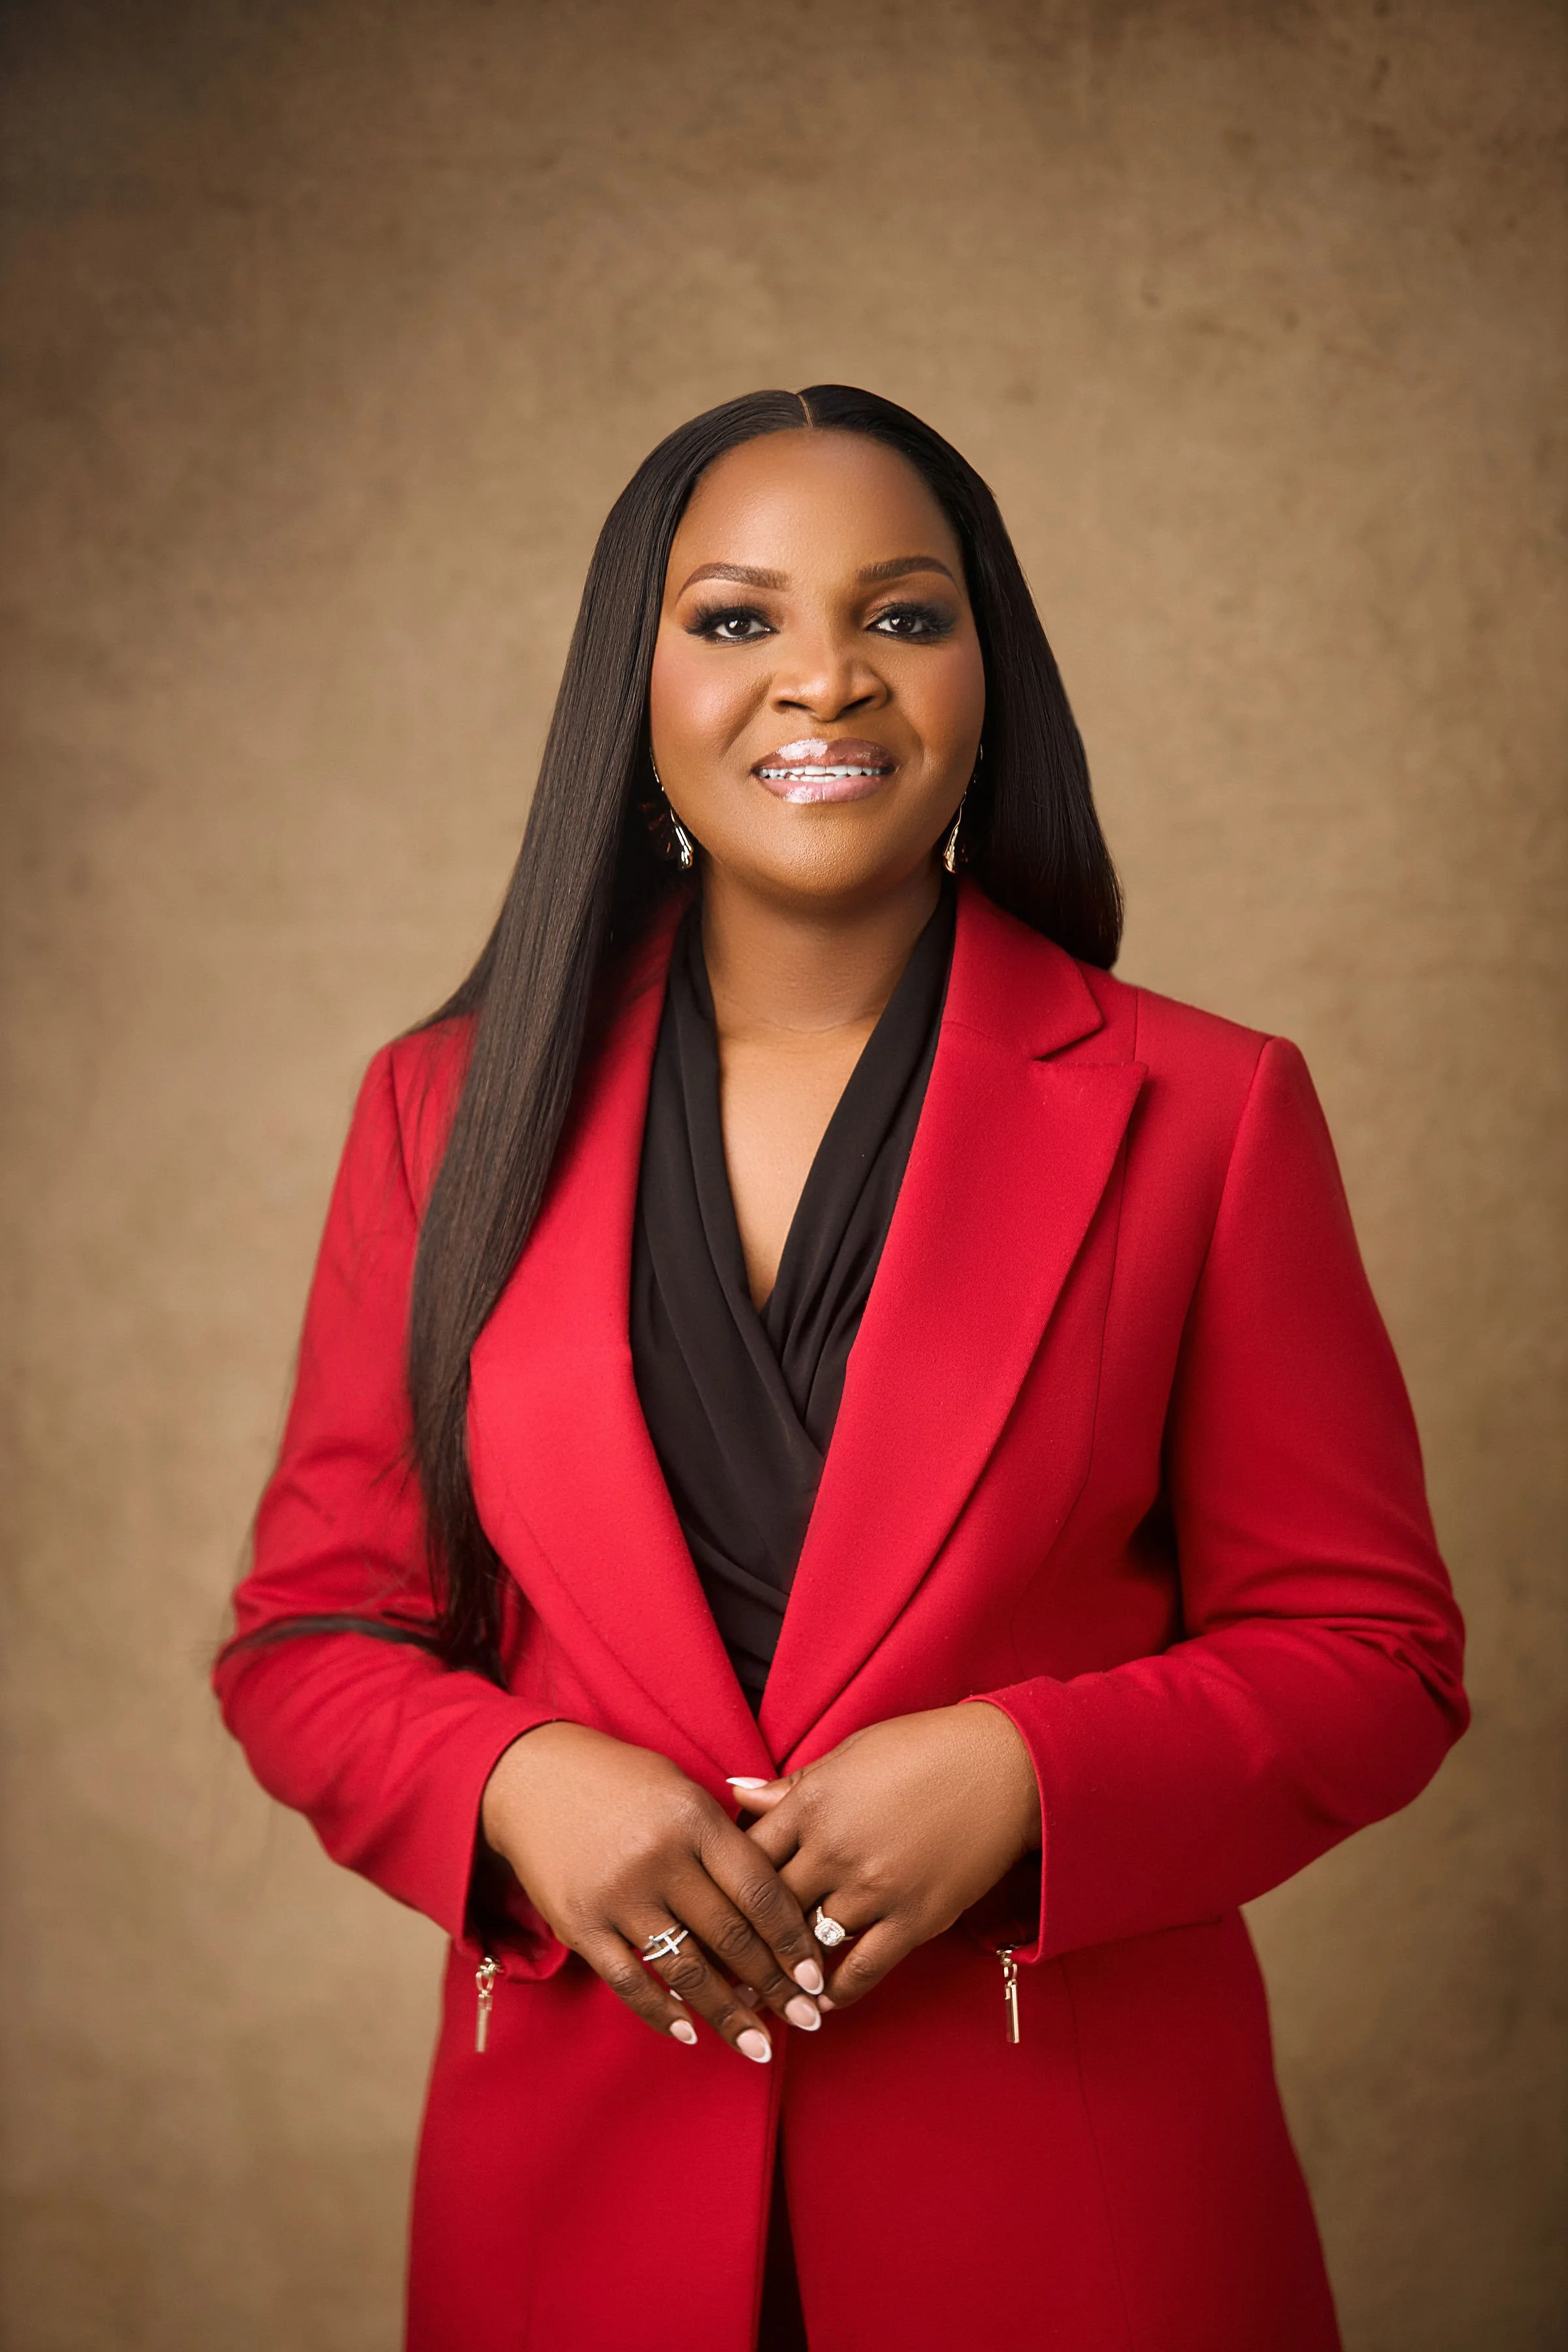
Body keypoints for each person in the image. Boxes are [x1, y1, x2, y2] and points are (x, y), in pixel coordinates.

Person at [216, 385, 1467, 2352]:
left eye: (904, 614)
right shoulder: (436, 1117)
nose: (826, 678)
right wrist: (513, 1781)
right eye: (736, 620)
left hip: (1078, 2221)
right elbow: (309, 1639)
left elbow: (1375, 1654)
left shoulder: (1211, 1113)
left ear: (988, 685)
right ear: (632, 688)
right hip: (578, 2220)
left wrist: (1023, 1771)